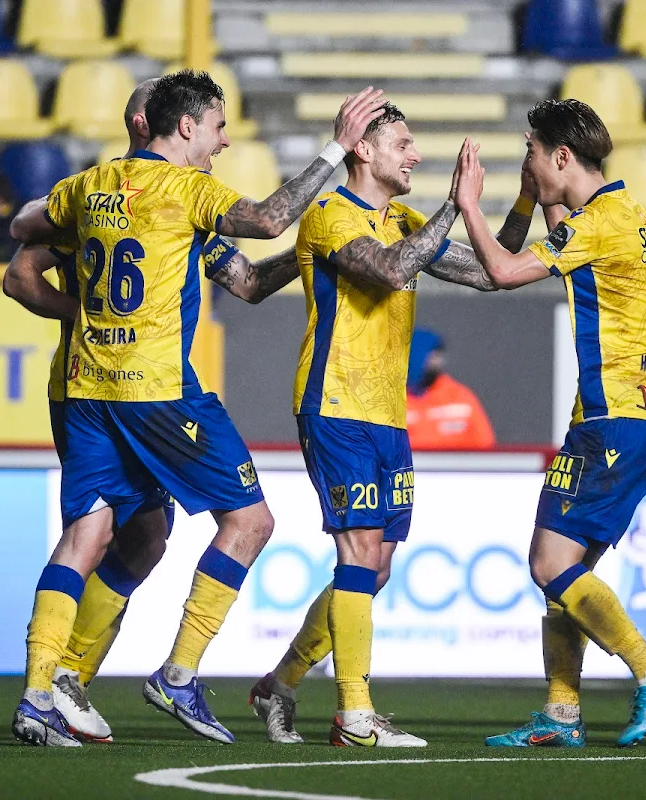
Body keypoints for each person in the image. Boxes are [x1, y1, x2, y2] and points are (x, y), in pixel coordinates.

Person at [6, 69, 387, 747]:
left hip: (92, 388)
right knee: (250, 520)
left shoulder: (89, 188)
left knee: (106, 534)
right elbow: (269, 217)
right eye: (216, 127)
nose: (224, 140)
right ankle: (177, 674)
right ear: (181, 126)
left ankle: (44, 689)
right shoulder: (186, 190)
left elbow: (241, 280)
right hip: (156, 389)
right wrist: (336, 150)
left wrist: (306, 260)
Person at [246, 104, 527, 747]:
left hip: (385, 414)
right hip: (336, 404)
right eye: (402, 143)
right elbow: (392, 268)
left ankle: (279, 684)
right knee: (358, 550)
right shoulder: (330, 214)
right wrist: (456, 205)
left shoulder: (400, 219)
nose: (413, 156)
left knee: (377, 566)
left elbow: (494, 270)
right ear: (364, 152)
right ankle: (354, 712)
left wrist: (521, 200)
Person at [453, 99, 646, 748]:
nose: (526, 163)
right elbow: (553, 232)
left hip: (616, 417)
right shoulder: (619, 211)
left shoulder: (598, 226)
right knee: (567, 574)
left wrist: (471, 203)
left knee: (548, 562)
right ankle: (561, 711)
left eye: (533, 152)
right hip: (631, 416)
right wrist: (534, 198)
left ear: (561, 156)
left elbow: (502, 272)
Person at [406, 329, 496, 451]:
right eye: (431, 358)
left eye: (438, 357)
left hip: (456, 468)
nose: (437, 363)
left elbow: (487, 445)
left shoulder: (460, 397)